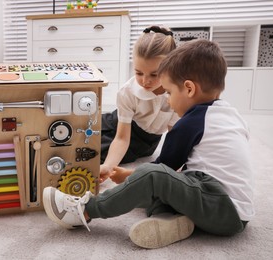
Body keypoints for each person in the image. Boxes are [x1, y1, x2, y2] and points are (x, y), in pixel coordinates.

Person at [42, 39, 255, 249]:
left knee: (153, 177)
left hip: (221, 206)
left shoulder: (192, 123)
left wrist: (130, 177)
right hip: (223, 206)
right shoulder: (230, 115)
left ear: (189, 89)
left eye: (170, 92)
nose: (168, 101)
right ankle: (169, 220)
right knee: (161, 184)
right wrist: (131, 178)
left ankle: (84, 210)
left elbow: (161, 170)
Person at [100, 25, 179, 183]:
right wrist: (109, 165)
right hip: (119, 123)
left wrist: (108, 167)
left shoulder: (177, 95)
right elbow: (122, 137)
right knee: (82, 130)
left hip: (143, 142)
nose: (145, 81)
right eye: (138, 73)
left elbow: (173, 138)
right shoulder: (127, 92)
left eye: (154, 74)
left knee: (91, 154)